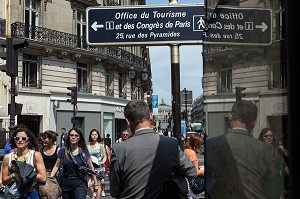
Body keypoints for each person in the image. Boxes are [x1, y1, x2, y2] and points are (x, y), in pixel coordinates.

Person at [109, 100, 196, 198]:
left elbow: (114, 191)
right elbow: (191, 171)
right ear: (150, 116)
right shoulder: (170, 143)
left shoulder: (119, 149)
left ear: (128, 121)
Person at [206, 100, 283, 199]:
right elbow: (275, 190)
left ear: (230, 117)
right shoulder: (267, 150)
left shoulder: (212, 144)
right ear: (254, 123)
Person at [50, 127, 98, 199]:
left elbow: (90, 167)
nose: (73, 137)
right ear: (68, 137)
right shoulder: (63, 150)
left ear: (79, 138)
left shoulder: (84, 151)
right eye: (71, 135)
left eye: (76, 135)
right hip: (65, 183)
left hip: (80, 182)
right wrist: (51, 178)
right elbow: (56, 166)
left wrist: (95, 182)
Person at [2, 125, 47, 198]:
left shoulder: (35, 155)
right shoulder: (8, 157)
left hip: (31, 193)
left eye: (23, 138)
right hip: (13, 194)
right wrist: (13, 175)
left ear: (28, 141)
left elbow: (43, 178)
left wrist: (23, 172)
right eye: (17, 138)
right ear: (14, 140)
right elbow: (4, 181)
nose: (20, 140)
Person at [87, 129, 107, 199]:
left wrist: (102, 162)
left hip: (98, 166)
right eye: (92, 134)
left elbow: (104, 156)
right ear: (90, 136)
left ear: (98, 136)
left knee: (97, 184)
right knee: (89, 185)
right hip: (89, 167)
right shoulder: (88, 146)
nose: (94, 136)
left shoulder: (100, 146)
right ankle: (92, 196)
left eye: (95, 134)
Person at [183, 133, 205, 198]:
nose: (201, 146)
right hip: (192, 185)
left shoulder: (185, 150)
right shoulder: (192, 153)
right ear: (196, 144)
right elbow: (195, 172)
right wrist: (205, 170)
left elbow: (191, 167)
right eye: (200, 144)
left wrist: (200, 167)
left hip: (186, 182)